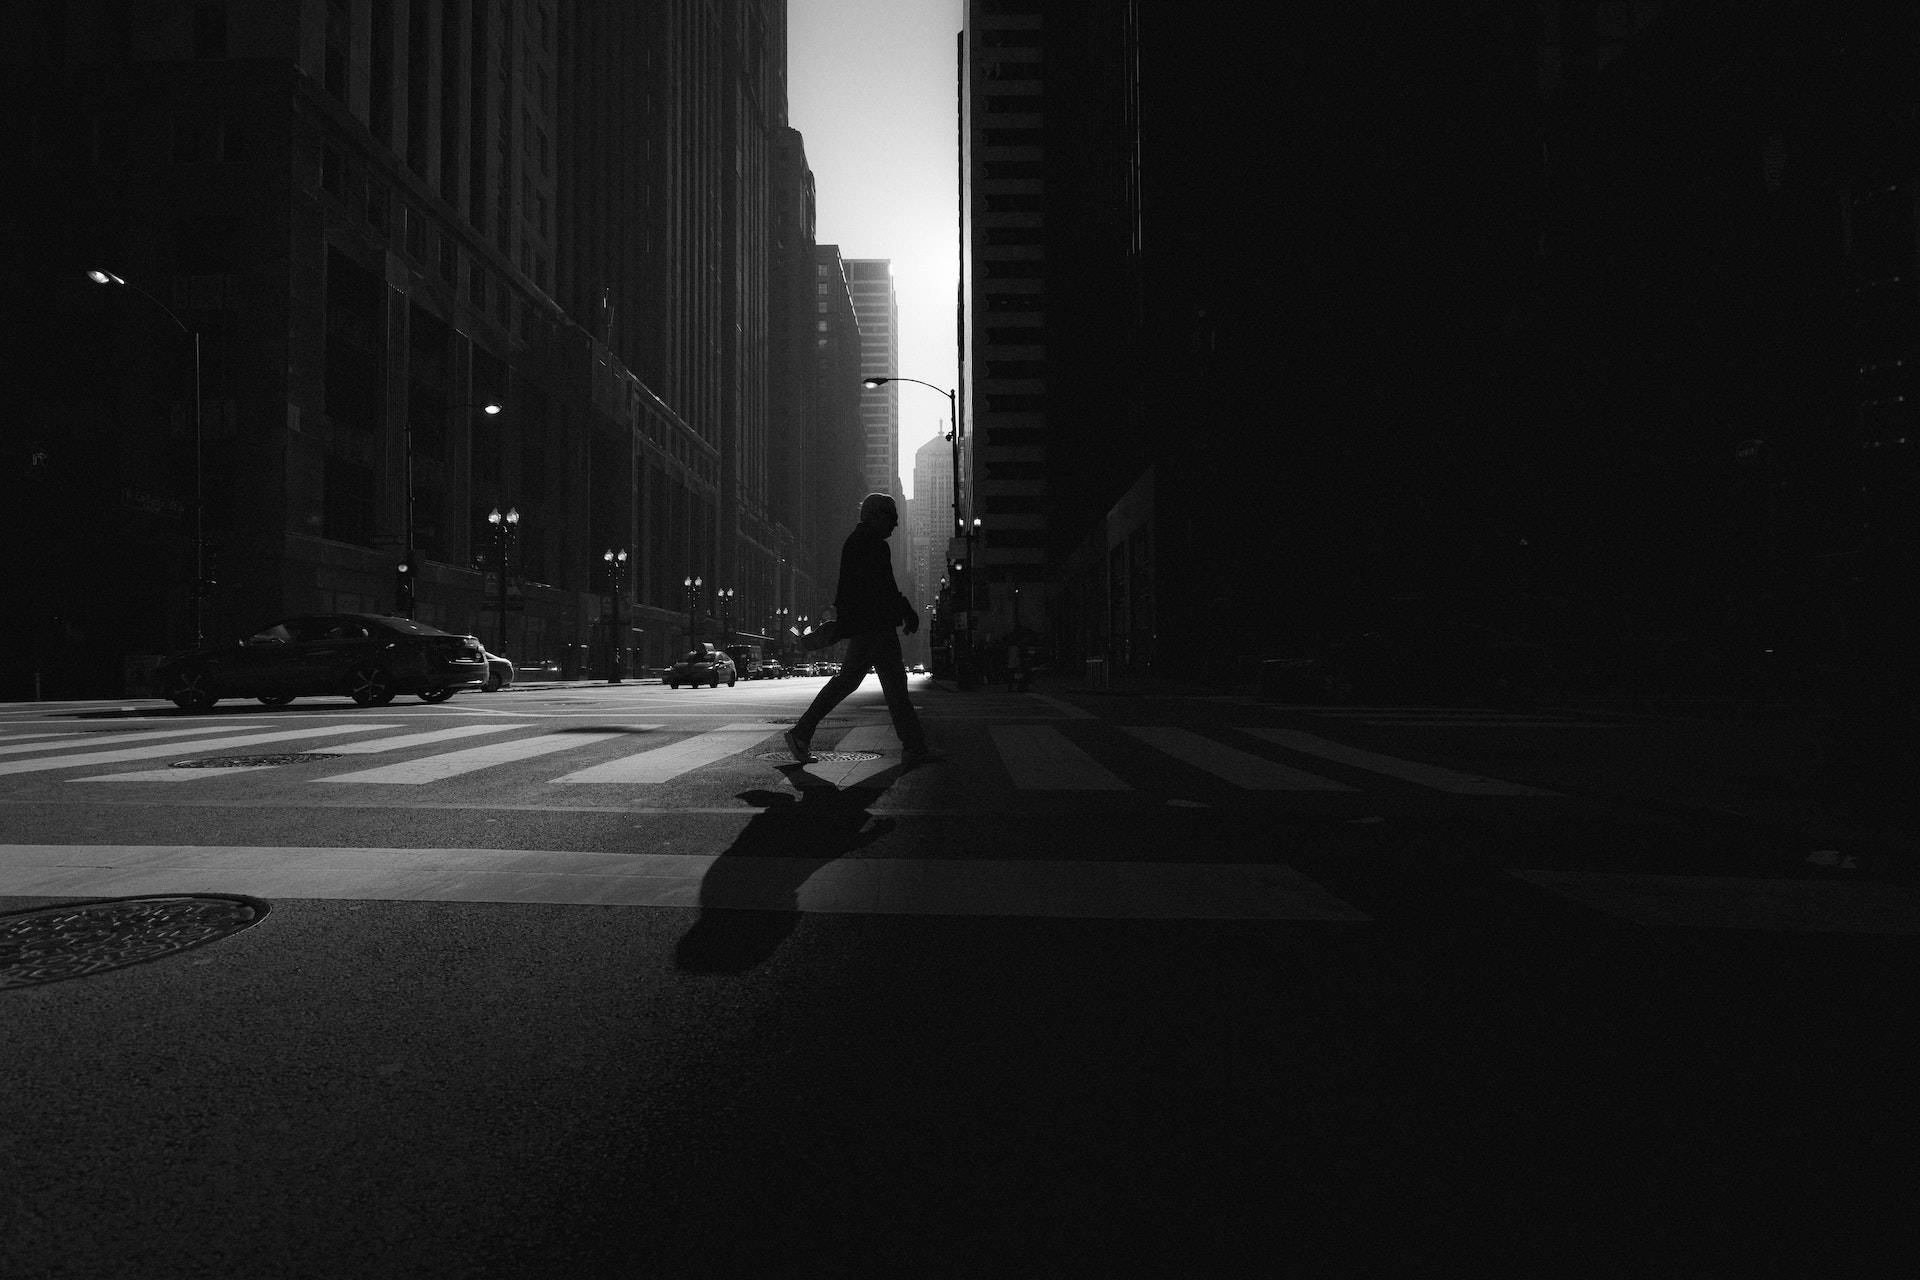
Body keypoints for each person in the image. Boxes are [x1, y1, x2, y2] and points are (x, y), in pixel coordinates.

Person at [784, 493, 937, 765]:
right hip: (875, 627)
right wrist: (906, 611)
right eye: (891, 516)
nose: (895, 524)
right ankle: (914, 746)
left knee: (854, 683)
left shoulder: (859, 541)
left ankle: (802, 733)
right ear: (874, 515)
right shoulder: (872, 544)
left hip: (868, 627)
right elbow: (884, 586)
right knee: (891, 688)